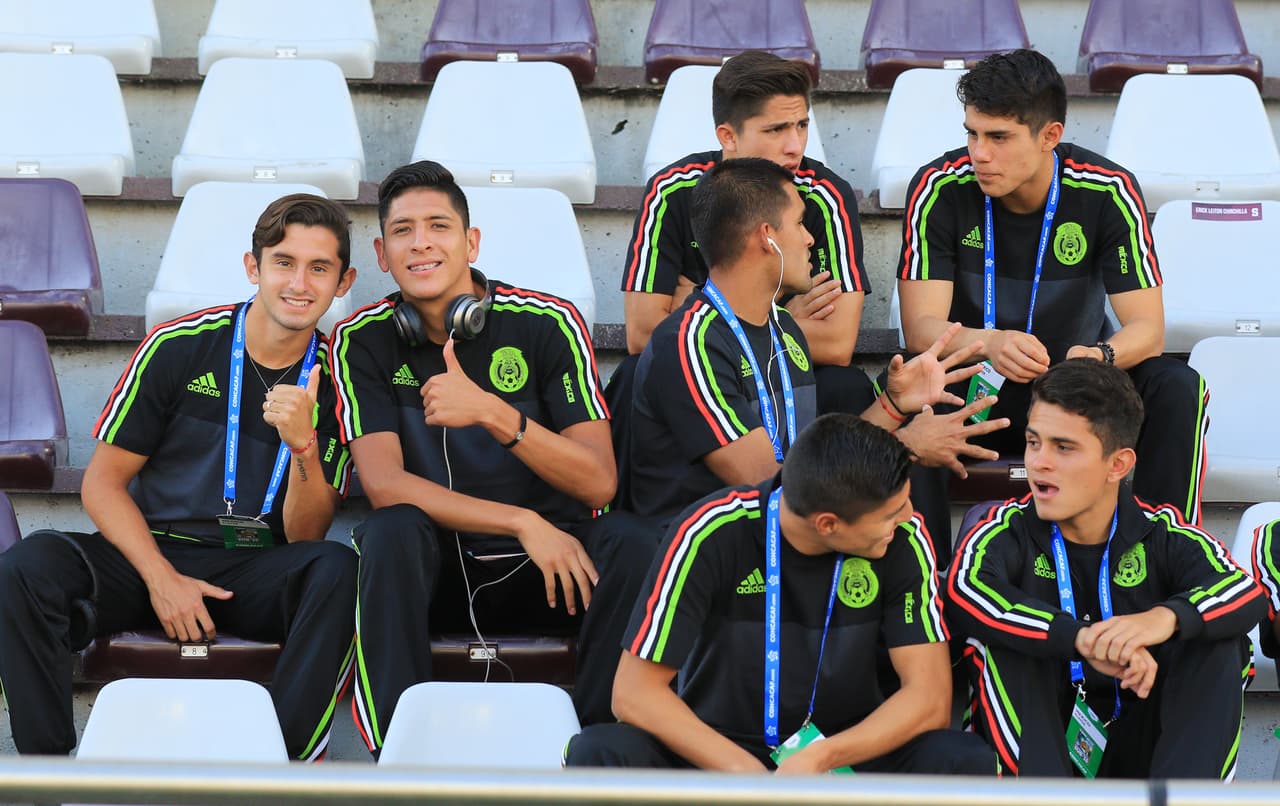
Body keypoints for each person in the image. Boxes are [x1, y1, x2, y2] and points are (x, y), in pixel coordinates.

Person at [0, 194, 360, 760]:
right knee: (26, 566)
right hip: (151, 552)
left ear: (344, 282)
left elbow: (306, 536)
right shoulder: (181, 345)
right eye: (284, 262)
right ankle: (47, 774)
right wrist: (161, 578)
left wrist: (305, 448)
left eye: (320, 268)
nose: (299, 282)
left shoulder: (342, 376)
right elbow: (102, 484)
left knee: (339, 570)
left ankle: (281, 769)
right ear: (253, 267)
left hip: (255, 563)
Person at [328, 160, 655, 756]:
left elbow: (599, 483)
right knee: (388, 530)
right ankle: (400, 751)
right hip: (443, 570)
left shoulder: (547, 323)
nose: (420, 242)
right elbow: (383, 484)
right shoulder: (359, 339)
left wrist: (494, 413)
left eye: (438, 226)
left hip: (553, 572)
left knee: (633, 541)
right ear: (381, 253)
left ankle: (590, 752)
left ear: (471, 241)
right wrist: (520, 521)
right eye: (402, 230)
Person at [566, 413, 995, 775]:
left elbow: (930, 698)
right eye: (890, 513)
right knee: (600, 752)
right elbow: (633, 694)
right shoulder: (711, 530)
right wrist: (751, 777)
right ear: (827, 524)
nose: (907, 517)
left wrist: (824, 755)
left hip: (846, 751)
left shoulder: (904, 537)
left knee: (961, 759)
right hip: (717, 750)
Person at [897, 48, 1208, 529]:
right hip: (975, 391)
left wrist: (1098, 358)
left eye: (999, 137)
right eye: (972, 134)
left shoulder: (1106, 189)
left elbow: (1149, 330)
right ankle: (927, 576)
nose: (979, 153)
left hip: (1074, 386)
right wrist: (992, 342)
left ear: (1050, 136)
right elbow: (921, 330)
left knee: (1177, 386)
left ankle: (1168, 550)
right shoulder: (938, 186)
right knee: (906, 394)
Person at [628, 156, 1006, 524]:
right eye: (799, 223)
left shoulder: (783, 327)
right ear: (767, 237)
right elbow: (772, 486)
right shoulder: (692, 342)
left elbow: (808, 468)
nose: (810, 238)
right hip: (711, 561)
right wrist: (905, 447)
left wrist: (893, 405)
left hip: (779, 539)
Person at [946, 359, 1263, 778]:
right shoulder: (1001, 530)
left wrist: (1164, 618)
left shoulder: (1164, 532)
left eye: (1064, 447)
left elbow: (1245, 591)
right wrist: (1080, 639)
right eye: (1033, 442)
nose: (1039, 463)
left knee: (1220, 642)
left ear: (1118, 464)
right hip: (1042, 746)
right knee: (1000, 642)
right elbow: (963, 590)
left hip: (1144, 743)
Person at [619, 49, 873, 418]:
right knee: (633, 376)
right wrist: (782, 316)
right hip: (701, 366)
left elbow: (837, 343)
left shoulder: (825, 195)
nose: (795, 146)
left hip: (785, 371)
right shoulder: (672, 191)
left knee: (846, 386)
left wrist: (692, 300)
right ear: (728, 136)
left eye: (801, 125)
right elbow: (642, 335)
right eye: (776, 130)